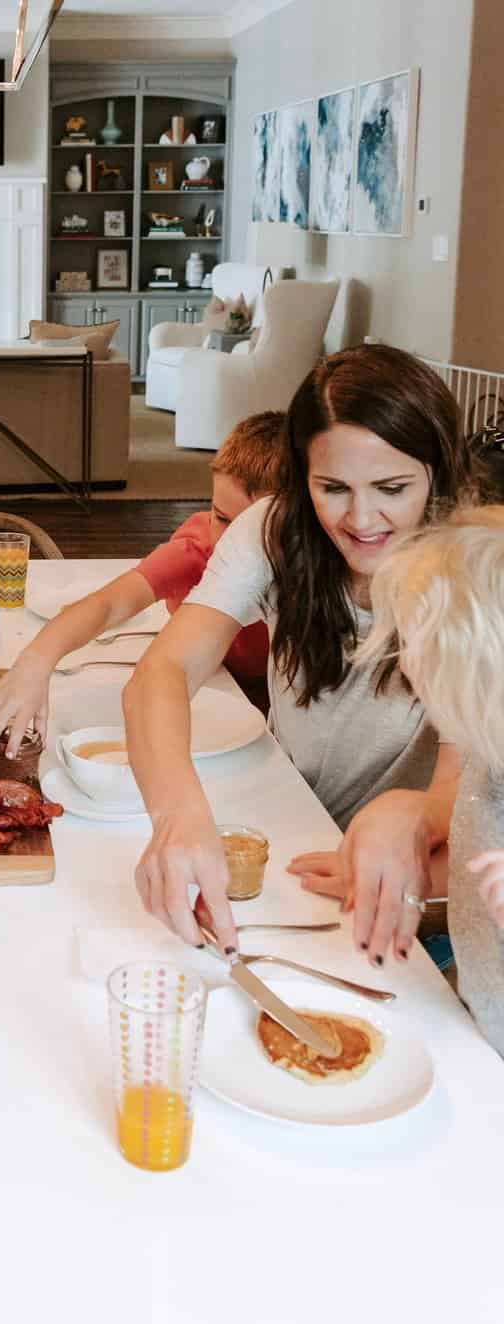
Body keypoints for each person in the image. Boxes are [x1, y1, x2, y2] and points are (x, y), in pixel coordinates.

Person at [123, 345, 472, 964]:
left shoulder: (473, 582)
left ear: (437, 475)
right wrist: (175, 811)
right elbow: (164, 670)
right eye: (332, 487)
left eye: (392, 488)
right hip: (288, 830)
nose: (362, 519)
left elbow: (460, 788)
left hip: (408, 894)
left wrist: (413, 813)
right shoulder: (275, 528)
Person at [0, 410, 284, 757]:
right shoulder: (198, 549)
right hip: (201, 707)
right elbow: (108, 604)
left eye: (251, 527)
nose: (230, 540)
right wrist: (35, 660)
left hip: (263, 732)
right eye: (222, 517)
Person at [356, 507, 504, 1055]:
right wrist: (398, 876)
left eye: (419, 651)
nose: (407, 669)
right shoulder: (487, 755)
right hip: (475, 1016)